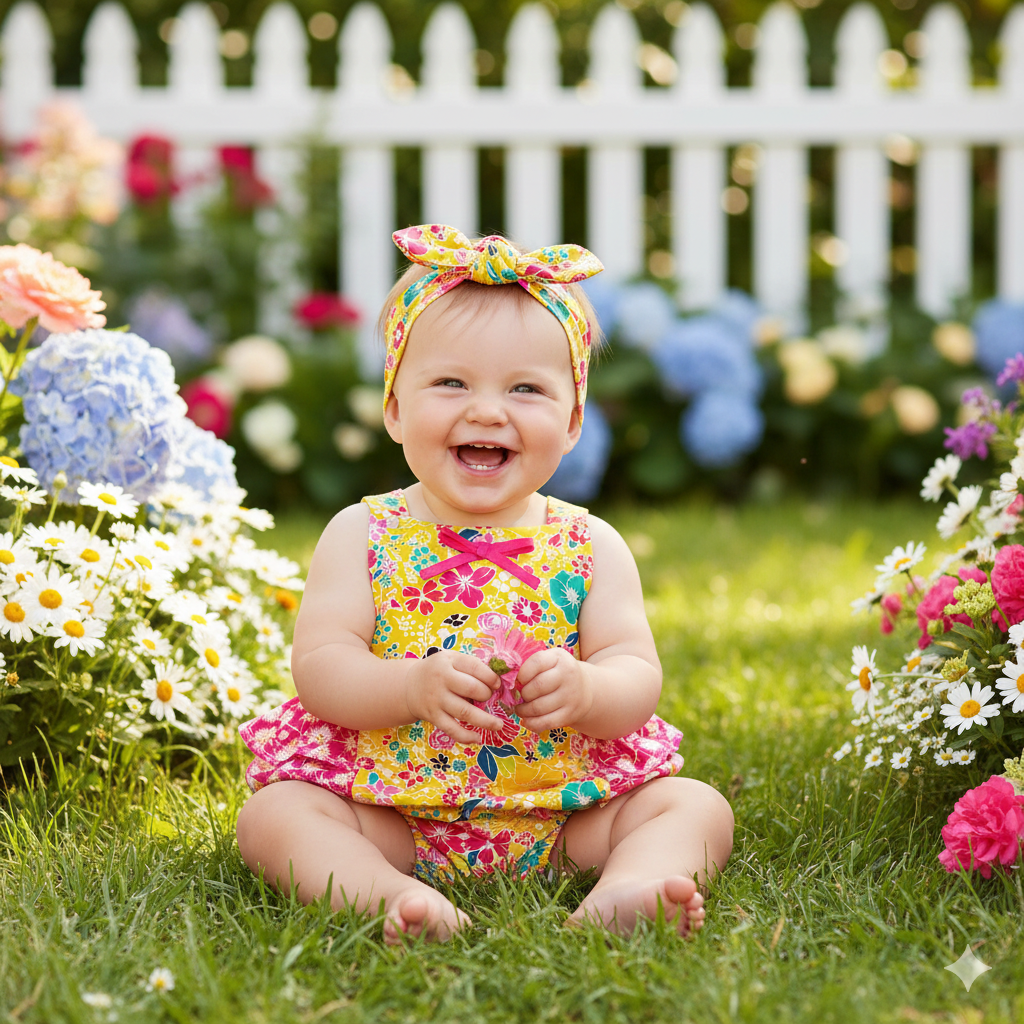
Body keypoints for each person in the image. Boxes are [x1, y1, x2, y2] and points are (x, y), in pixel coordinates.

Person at [236, 224, 734, 944]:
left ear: (572, 422)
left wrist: (588, 690)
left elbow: (636, 672)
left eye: (525, 389)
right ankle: (386, 896)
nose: (487, 410)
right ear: (395, 408)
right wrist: (410, 686)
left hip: (564, 811)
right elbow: (321, 668)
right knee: (275, 816)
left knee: (694, 805)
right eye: (451, 383)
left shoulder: (591, 544)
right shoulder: (362, 532)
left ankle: (626, 890)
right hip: (391, 811)